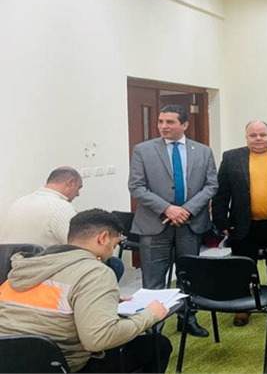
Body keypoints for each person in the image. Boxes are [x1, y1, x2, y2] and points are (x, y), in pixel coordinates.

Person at [0, 209, 172, 373]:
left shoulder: (29, 265)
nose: (111, 254)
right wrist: (150, 315)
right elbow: (99, 339)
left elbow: (47, 302)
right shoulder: (94, 272)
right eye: (113, 246)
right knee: (157, 345)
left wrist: (103, 300)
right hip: (59, 365)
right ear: (103, 238)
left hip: (8, 361)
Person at [128, 104, 218, 337]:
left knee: (189, 275)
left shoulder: (202, 151)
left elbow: (211, 185)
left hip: (190, 223)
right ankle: (153, 329)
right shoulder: (143, 150)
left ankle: (187, 319)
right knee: (153, 280)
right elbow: (136, 186)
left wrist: (186, 210)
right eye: (160, 121)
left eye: (170, 122)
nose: (163, 126)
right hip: (155, 224)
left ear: (184, 124)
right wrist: (167, 209)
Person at [213, 120, 267, 326]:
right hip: (243, 225)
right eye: (253, 135)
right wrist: (221, 221)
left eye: (262, 134)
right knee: (243, 267)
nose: (258, 139)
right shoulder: (231, 157)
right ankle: (243, 306)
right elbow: (221, 193)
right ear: (246, 138)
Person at [1, 166, 124, 280]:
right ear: (70, 182)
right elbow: (80, 248)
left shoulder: (19, 202)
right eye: (78, 188)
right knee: (114, 264)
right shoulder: (60, 207)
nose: (78, 194)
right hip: (43, 272)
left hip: (9, 269)